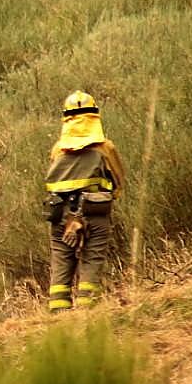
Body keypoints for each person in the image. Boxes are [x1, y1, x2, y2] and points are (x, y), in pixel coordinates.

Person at [43, 91, 126, 313]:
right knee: (92, 260)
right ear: (94, 115)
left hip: (60, 214)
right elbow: (118, 182)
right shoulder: (105, 148)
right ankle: (87, 313)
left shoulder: (57, 149)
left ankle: (57, 317)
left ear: (66, 118)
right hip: (95, 212)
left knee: (61, 263)